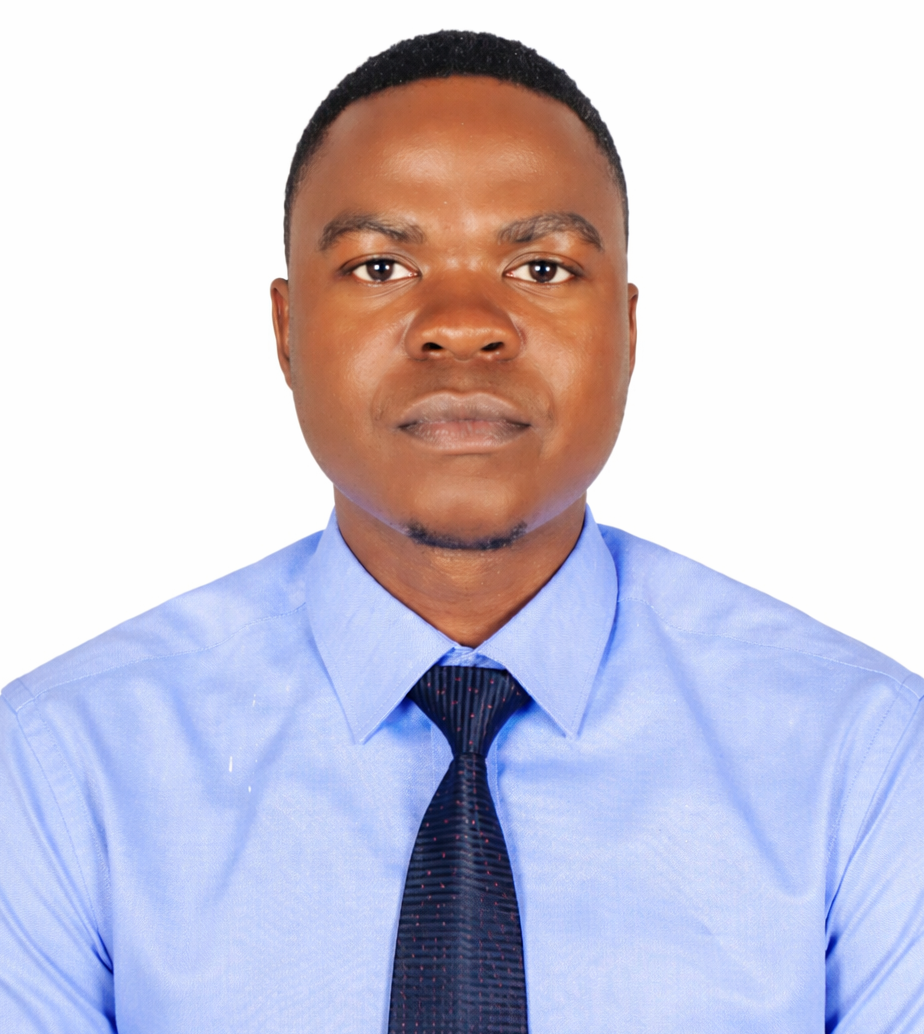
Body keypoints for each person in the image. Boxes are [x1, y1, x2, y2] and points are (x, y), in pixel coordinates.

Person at [1, 29, 921, 1034]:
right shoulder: (63, 767)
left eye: (541, 267)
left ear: (628, 330)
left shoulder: (865, 759)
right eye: (382, 265)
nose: (464, 324)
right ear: (286, 331)